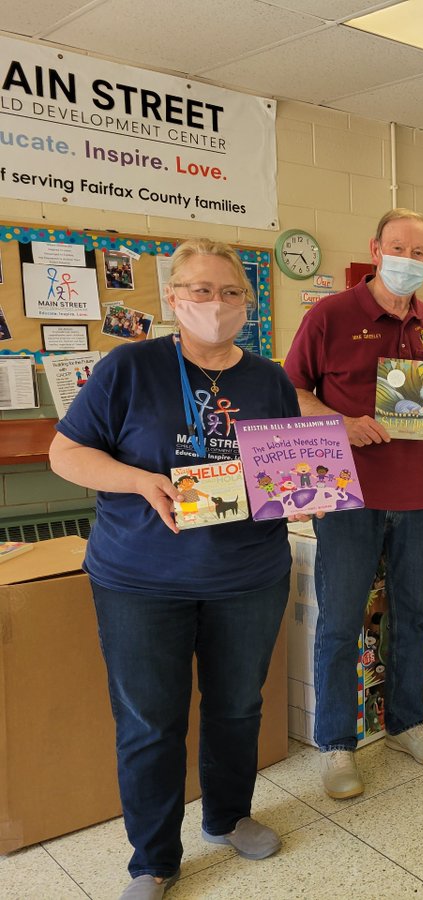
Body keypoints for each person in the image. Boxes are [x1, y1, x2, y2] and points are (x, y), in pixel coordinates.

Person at [49, 239, 301, 899]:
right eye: (199, 290)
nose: (214, 304)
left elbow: (287, 468)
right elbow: (66, 453)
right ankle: (153, 859)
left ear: (246, 303)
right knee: (149, 719)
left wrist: (309, 493)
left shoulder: (270, 378)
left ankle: (227, 816)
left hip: (248, 573)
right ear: (171, 298)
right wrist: (139, 480)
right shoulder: (128, 368)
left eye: (228, 293)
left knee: (237, 706)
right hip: (140, 579)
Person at [284, 209, 423, 799]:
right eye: (397, 247)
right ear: (375, 249)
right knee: (341, 620)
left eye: (419, 251)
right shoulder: (330, 315)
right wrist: (342, 422)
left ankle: (408, 720)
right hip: (347, 494)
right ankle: (337, 744)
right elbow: (292, 391)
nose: (408, 258)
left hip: (416, 494)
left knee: (415, 614)